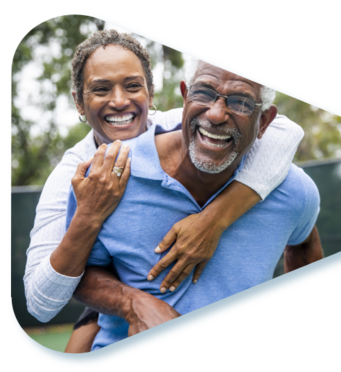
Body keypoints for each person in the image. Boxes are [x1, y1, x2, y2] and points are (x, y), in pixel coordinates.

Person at [23, 30, 304, 345]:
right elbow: (41, 303)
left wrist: (213, 220)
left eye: (133, 86)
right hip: (108, 291)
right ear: (78, 101)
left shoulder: (186, 125)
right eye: (101, 89)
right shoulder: (71, 174)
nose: (119, 101)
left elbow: (286, 132)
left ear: (150, 94)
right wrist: (90, 215)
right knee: (80, 345)